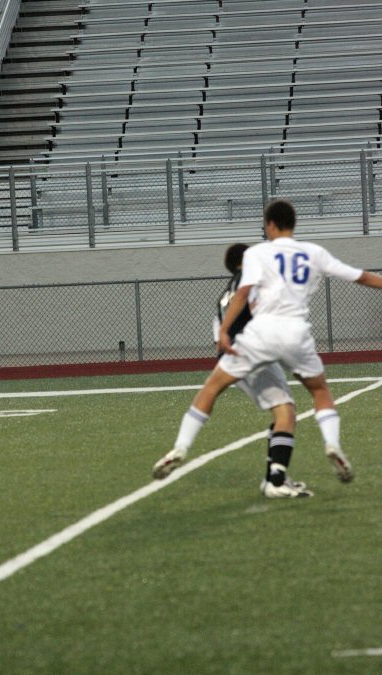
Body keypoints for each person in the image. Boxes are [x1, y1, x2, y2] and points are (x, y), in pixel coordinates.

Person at [152, 200, 382, 494]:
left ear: (270, 224)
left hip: (259, 334)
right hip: (296, 333)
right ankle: (332, 444)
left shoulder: (257, 253)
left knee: (211, 388)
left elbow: (244, 292)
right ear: (293, 224)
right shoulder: (313, 252)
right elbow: (360, 276)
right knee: (319, 391)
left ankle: (181, 448)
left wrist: (223, 330)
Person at [211, 243, 311, 498]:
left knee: (284, 412)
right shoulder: (249, 283)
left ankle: (274, 476)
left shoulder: (226, 294)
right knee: (285, 413)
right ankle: (275, 482)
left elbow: (218, 337)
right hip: (250, 353)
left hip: (236, 355)